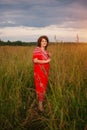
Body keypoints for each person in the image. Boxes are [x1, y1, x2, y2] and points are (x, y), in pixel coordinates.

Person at [32, 35, 51, 112]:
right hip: (39, 71)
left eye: (45, 41)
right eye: (42, 41)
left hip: (45, 71)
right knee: (40, 86)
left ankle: (42, 100)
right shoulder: (37, 49)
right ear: (39, 42)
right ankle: (40, 105)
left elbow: (48, 59)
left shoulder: (46, 51)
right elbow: (35, 60)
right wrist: (46, 61)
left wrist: (49, 57)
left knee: (44, 86)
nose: (44, 42)